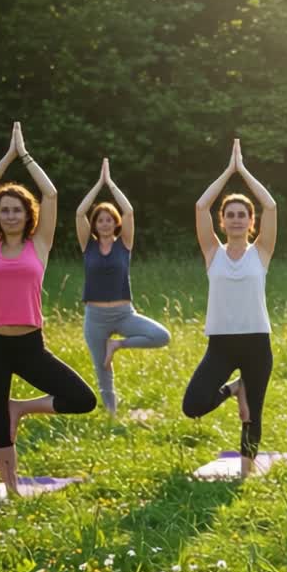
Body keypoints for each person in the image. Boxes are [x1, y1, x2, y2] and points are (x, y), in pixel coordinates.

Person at [0, 122, 97, 494]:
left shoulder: (38, 245)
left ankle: (21, 407)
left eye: (17, 210)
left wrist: (23, 156)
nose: (10, 215)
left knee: (81, 399)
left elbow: (52, 194)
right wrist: (5, 158)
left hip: (30, 346)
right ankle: (10, 490)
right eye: (5, 210)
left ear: (28, 215)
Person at [181, 139, 278, 478]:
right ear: (222, 221)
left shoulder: (261, 252)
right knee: (192, 405)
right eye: (231, 215)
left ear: (250, 222)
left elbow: (271, 206)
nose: (236, 220)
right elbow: (199, 206)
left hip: (256, 342)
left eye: (242, 215)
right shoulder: (213, 252)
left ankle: (246, 474)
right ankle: (234, 388)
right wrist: (228, 172)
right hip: (220, 344)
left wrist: (244, 172)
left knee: (253, 414)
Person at [76, 158, 171, 415]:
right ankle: (112, 416)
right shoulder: (88, 246)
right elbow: (79, 213)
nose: (105, 223)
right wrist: (98, 185)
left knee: (162, 336)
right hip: (95, 317)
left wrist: (111, 184)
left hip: (123, 313)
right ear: (94, 225)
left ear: (115, 223)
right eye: (100, 220)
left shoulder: (124, 244)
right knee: (102, 369)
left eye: (109, 219)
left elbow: (129, 211)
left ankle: (116, 345)